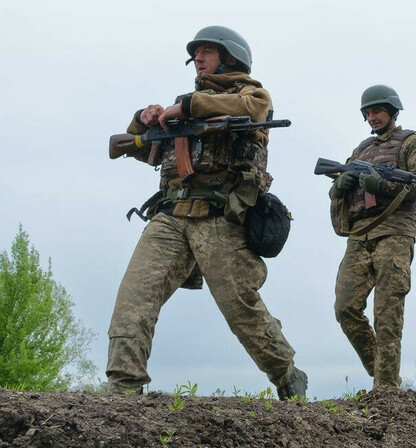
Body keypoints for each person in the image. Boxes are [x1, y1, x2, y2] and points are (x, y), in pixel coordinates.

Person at [106, 26, 307, 399]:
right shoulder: (180, 111)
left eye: (207, 52)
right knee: (134, 298)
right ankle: (123, 388)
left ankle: (288, 375)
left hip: (219, 219)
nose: (197, 59)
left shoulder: (249, 94)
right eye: (195, 53)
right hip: (170, 215)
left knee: (241, 309)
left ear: (230, 57)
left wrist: (188, 107)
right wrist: (145, 119)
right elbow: (139, 149)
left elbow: (255, 108)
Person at [329, 85, 416, 388]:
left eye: (378, 111)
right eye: (368, 112)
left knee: (387, 313)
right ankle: (385, 374)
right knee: (345, 308)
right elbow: (335, 189)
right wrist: (341, 185)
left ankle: (386, 390)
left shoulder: (411, 142)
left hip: (395, 232)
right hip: (360, 235)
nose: (372, 117)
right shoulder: (361, 149)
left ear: (392, 111)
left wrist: (383, 186)